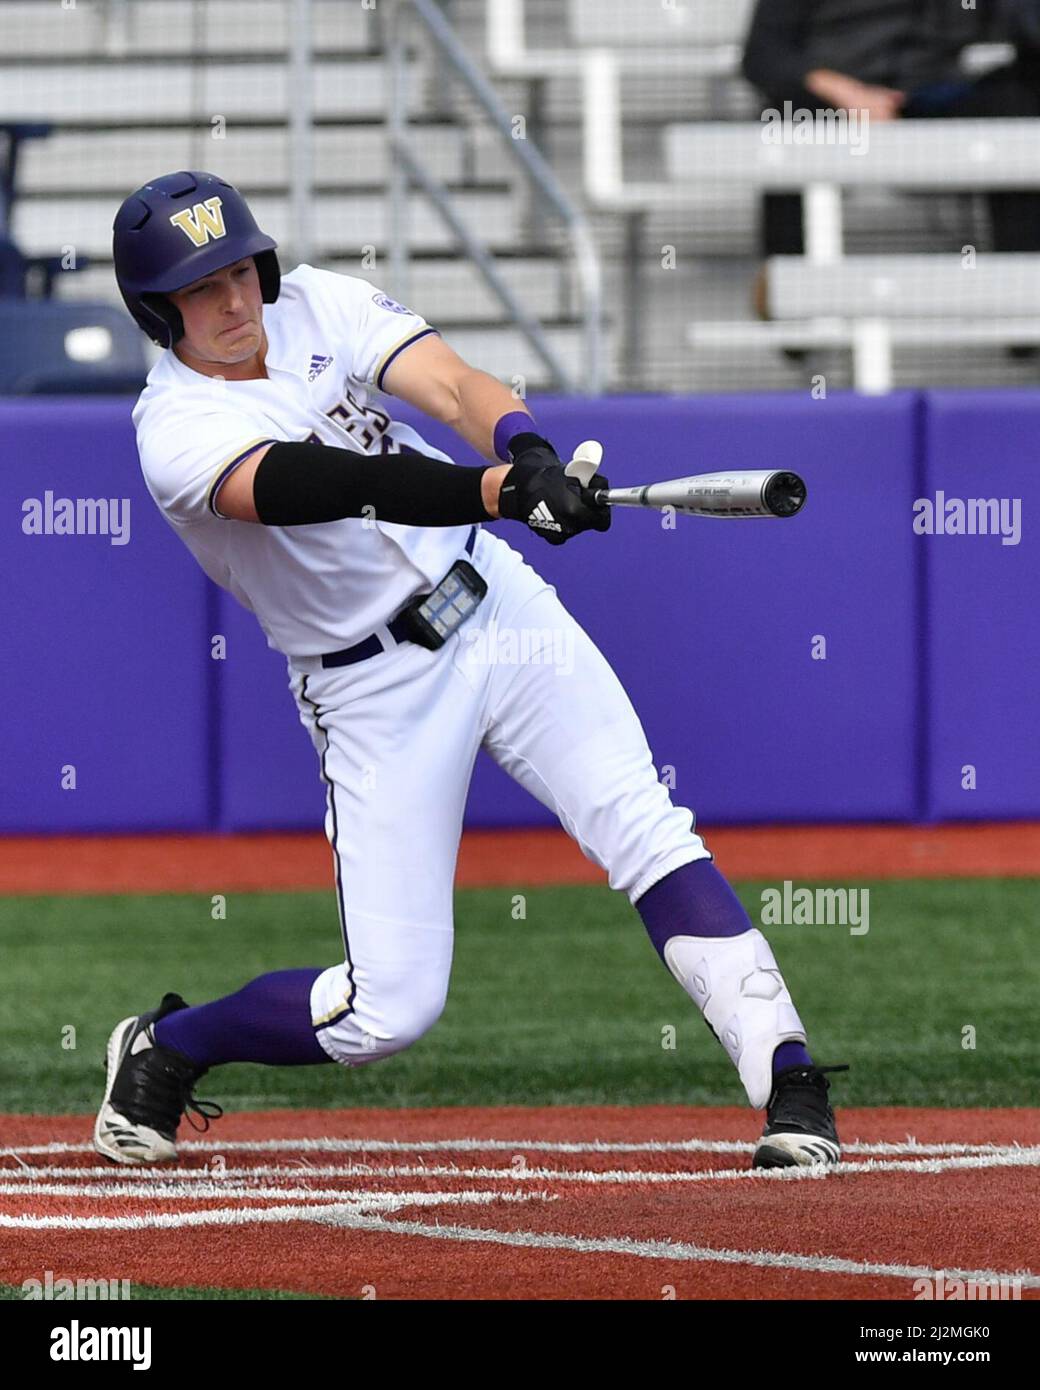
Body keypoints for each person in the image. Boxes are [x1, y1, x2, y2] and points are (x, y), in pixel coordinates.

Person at [96, 169, 843, 1171]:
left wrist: (526, 450)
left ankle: (788, 1078)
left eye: (239, 270)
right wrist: (495, 489)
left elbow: (449, 385)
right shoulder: (173, 429)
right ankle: (169, 1044)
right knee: (385, 1011)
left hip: (496, 604)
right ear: (157, 309)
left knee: (639, 820)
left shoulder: (320, 299)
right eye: (199, 288)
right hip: (370, 685)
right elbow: (332, 485)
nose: (232, 300)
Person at [742, 0, 1040, 258]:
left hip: (934, 100)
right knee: (788, 119)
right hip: (833, 104)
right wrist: (849, 95)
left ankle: (1024, 282)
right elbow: (763, 56)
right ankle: (788, 285)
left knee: (1014, 105)